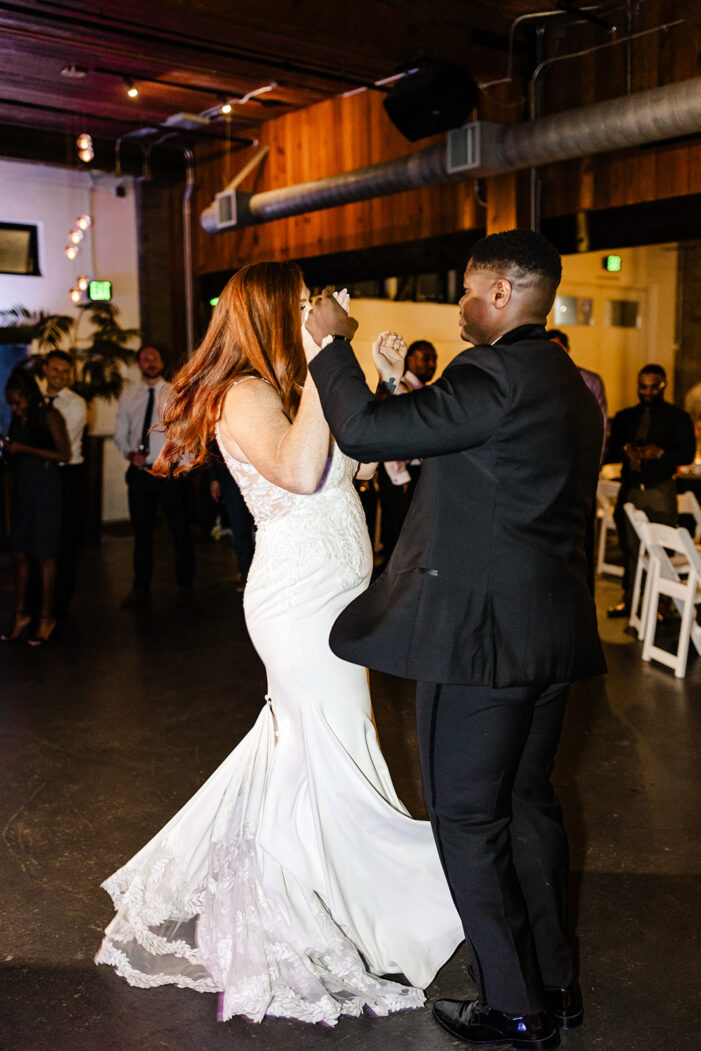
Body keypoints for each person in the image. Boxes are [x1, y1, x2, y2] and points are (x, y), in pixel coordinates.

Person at [95, 262, 463, 1025]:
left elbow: (351, 465)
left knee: (322, 741)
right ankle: (322, 906)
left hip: (330, 592)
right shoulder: (244, 393)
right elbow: (298, 471)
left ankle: (325, 897)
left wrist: (374, 381)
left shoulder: (284, 389)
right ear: (268, 314)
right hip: (298, 599)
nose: (308, 311)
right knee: (324, 742)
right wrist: (330, 356)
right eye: (297, 304)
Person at [304, 229, 606, 1050]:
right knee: (528, 802)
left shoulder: (490, 372)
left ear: (502, 292)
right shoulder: (569, 384)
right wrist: (392, 378)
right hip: (550, 632)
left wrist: (331, 342)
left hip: (480, 639)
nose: (461, 305)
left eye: (469, 289)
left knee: (467, 819)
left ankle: (514, 1005)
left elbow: (364, 432)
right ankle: (556, 983)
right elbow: (468, 460)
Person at [606, 364, 696, 618]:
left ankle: (662, 604)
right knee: (631, 548)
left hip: (660, 489)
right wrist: (626, 451)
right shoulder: (626, 416)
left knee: (663, 548)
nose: (647, 392)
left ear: (663, 385)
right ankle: (631, 600)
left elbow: (687, 454)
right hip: (631, 488)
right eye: (643, 387)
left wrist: (660, 453)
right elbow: (611, 449)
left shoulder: (677, 417)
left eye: (653, 387)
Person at [114, 345, 194, 608]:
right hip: (141, 474)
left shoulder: (175, 393)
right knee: (142, 534)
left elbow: (187, 433)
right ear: (139, 365)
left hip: (169, 473)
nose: (150, 362)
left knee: (180, 532)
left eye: (154, 358)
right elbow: (120, 433)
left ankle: (185, 587)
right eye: (145, 359)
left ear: (161, 362)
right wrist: (130, 454)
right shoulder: (129, 397)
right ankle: (140, 588)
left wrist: (184, 467)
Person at [1, 366, 70, 645]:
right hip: (24, 492)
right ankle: (20, 615)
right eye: (11, 404)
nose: (15, 408)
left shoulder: (50, 416)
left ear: (29, 395)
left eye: (18, 403)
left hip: (46, 492)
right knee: (19, 554)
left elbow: (64, 454)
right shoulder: (19, 420)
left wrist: (24, 449)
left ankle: (46, 617)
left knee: (45, 556)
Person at [377, 339, 437, 563]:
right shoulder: (400, 389)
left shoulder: (422, 391)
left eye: (434, 359)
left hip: (416, 472)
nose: (432, 364)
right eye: (426, 358)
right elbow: (390, 437)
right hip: (399, 474)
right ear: (410, 360)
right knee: (399, 533)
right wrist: (400, 476)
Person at [41, 349, 88, 615]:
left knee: (66, 539)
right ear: (46, 369)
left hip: (67, 473)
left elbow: (61, 443)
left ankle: (61, 601)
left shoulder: (76, 403)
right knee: (42, 537)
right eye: (56, 369)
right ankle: (41, 597)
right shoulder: (35, 400)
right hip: (41, 473)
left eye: (65, 371)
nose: (60, 375)